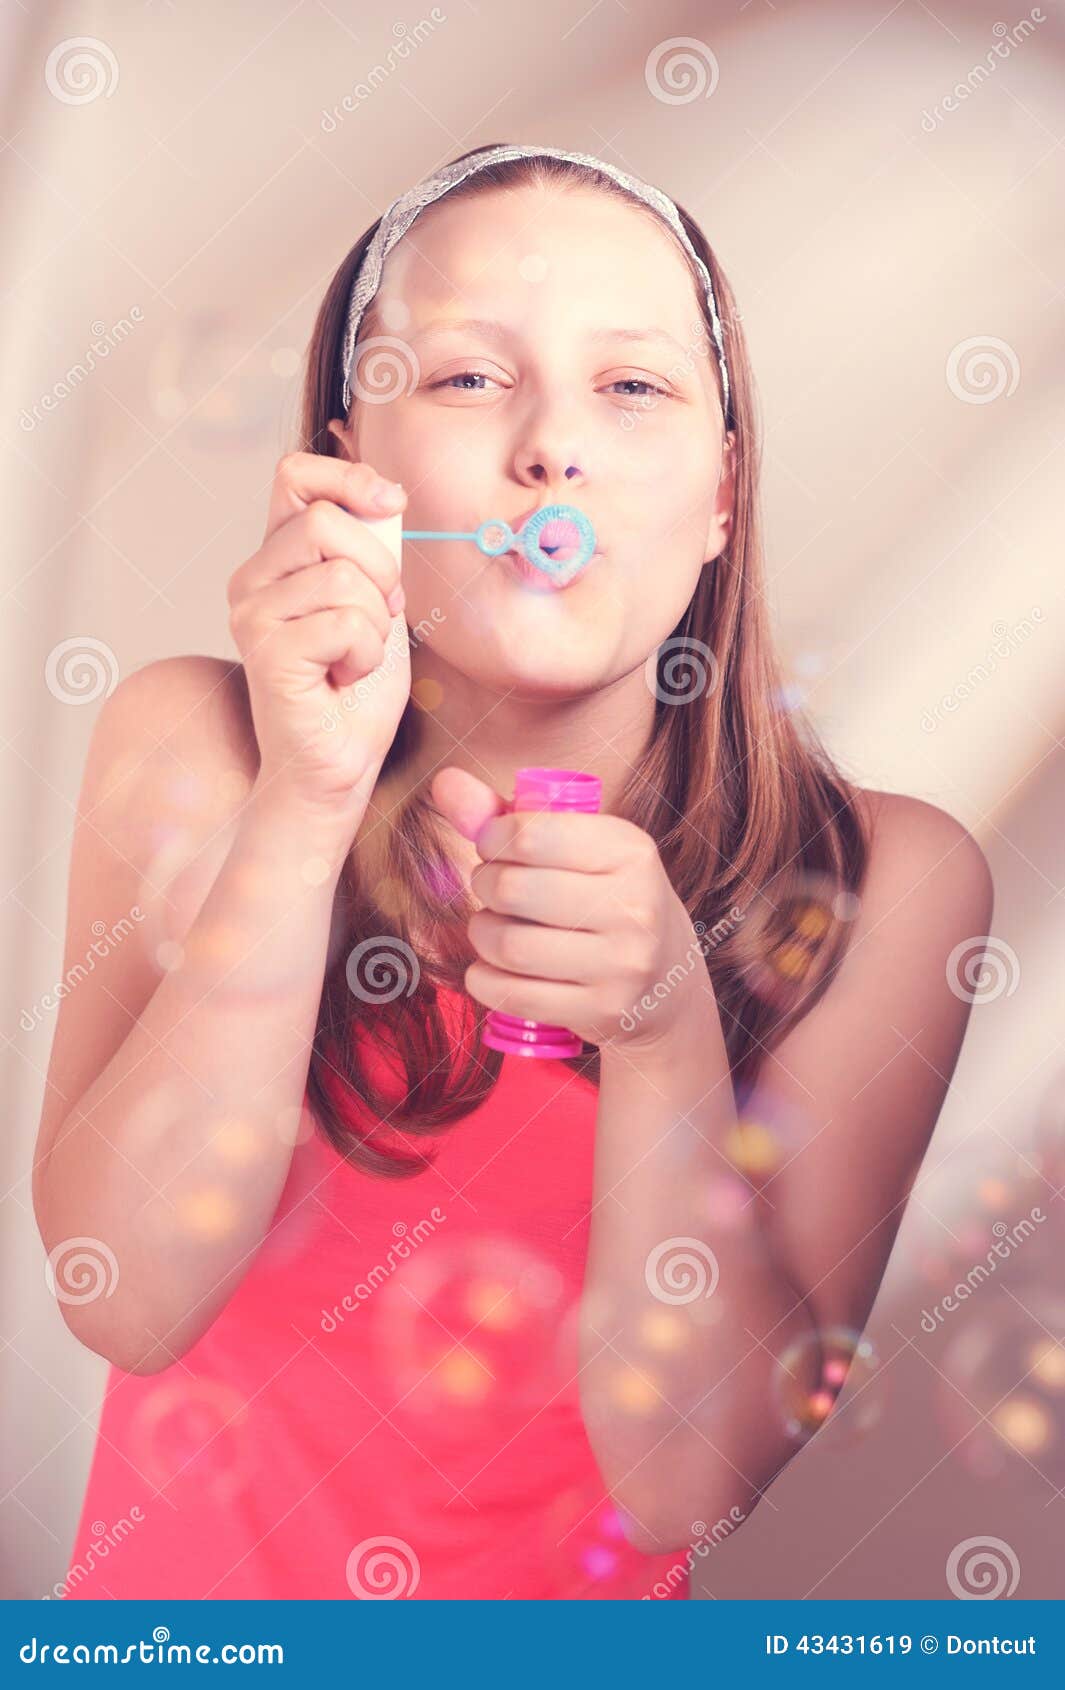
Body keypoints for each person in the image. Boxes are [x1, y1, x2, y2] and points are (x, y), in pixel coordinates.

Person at [33, 143, 993, 1601]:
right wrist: (308, 798)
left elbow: (686, 1478)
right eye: (472, 377)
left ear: (722, 492)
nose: (551, 446)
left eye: (631, 387)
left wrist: (668, 1029)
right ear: (353, 464)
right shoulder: (198, 746)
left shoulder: (886, 879)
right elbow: (128, 1297)